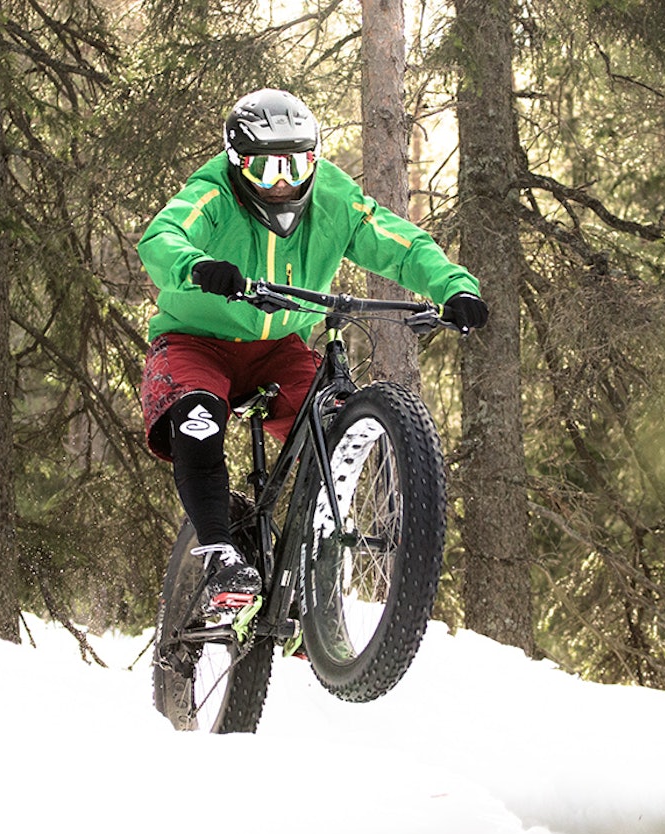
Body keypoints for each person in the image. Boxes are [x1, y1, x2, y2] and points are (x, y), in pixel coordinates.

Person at [136, 88, 487, 613]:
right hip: (195, 341)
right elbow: (162, 237)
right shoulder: (212, 193)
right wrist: (198, 267)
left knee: (334, 424)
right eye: (265, 169)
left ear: (315, 158)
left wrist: (453, 287)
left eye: (296, 165)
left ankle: (309, 576)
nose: (282, 182)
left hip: (280, 348)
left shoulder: (333, 198)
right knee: (197, 419)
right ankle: (219, 555)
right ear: (236, 163)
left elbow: (401, 244)